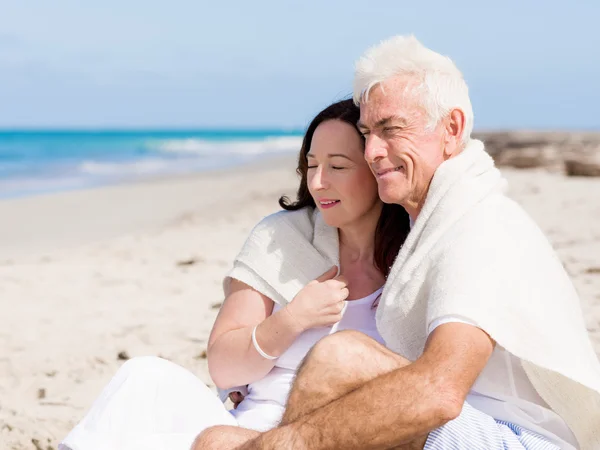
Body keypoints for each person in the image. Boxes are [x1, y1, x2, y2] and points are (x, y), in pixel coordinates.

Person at [195, 36, 600, 450]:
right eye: (368, 132)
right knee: (218, 440)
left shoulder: (479, 224)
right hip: (465, 423)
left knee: (343, 358)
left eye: (391, 129)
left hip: (516, 436)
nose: (372, 151)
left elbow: (438, 392)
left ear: (452, 128)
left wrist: (275, 445)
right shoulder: (423, 222)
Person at [58, 99, 410, 450]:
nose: (318, 182)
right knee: (144, 375)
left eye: (337, 166)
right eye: (312, 165)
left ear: (377, 169)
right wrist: (292, 319)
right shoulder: (281, 238)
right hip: (243, 430)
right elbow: (224, 370)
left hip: (333, 438)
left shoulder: (415, 257)